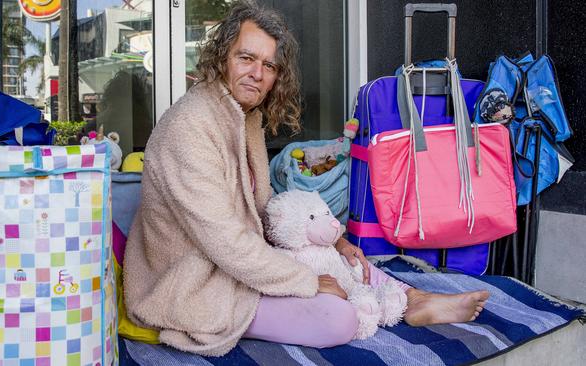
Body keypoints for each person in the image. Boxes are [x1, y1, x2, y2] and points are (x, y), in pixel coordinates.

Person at [123, 0, 489, 357]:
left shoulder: (242, 117)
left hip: (231, 267)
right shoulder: (189, 127)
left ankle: (412, 300)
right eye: (246, 58)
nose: (257, 73)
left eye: (269, 65)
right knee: (337, 318)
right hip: (189, 286)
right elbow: (226, 242)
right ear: (222, 58)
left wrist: (335, 243)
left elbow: (263, 212)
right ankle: (391, 301)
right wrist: (307, 281)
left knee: (340, 262)